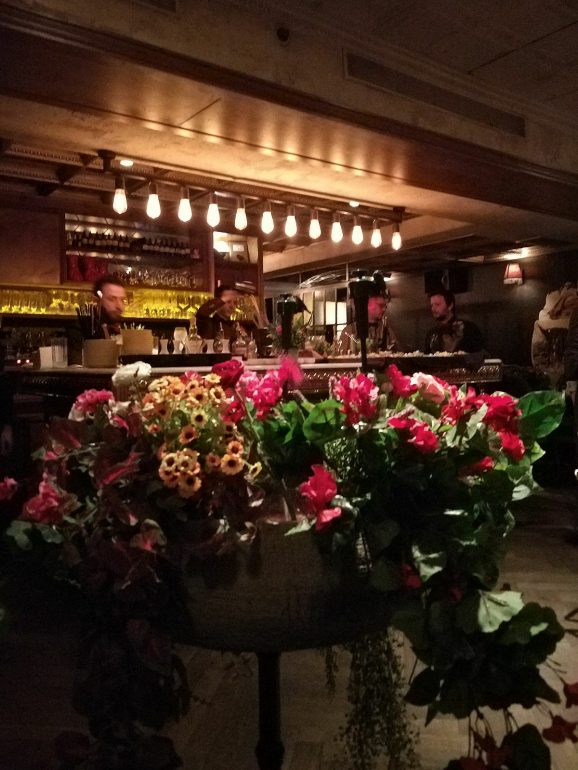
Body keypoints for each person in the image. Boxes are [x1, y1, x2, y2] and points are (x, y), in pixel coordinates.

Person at [338, 289, 399, 355]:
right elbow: (342, 355)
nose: (384, 309)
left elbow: (397, 354)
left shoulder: (387, 331)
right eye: (380, 305)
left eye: (385, 306)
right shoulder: (349, 331)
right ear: (367, 305)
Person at [424, 289, 484, 354]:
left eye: (437, 304)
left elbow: (479, 355)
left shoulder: (468, 329)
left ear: (450, 305)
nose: (433, 309)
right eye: (432, 305)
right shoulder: (431, 333)